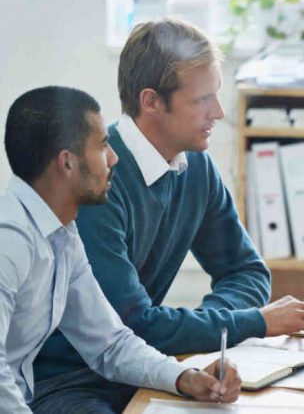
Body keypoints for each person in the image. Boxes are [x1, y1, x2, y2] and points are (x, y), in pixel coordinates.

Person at [31, 19, 304, 413]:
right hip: (66, 382)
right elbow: (135, 324)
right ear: (151, 101)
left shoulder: (196, 168)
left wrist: (211, 332)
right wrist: (253, 322)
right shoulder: (95, 183)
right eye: (203, 100)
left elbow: (246, 271)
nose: (218, 112)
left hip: (152, 367)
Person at [0, 86, 241, 414]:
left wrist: (185, 377)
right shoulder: (9, 241)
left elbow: (109, 344)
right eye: (102, 147)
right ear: (67, 163)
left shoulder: (62, 234)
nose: (113, 158)